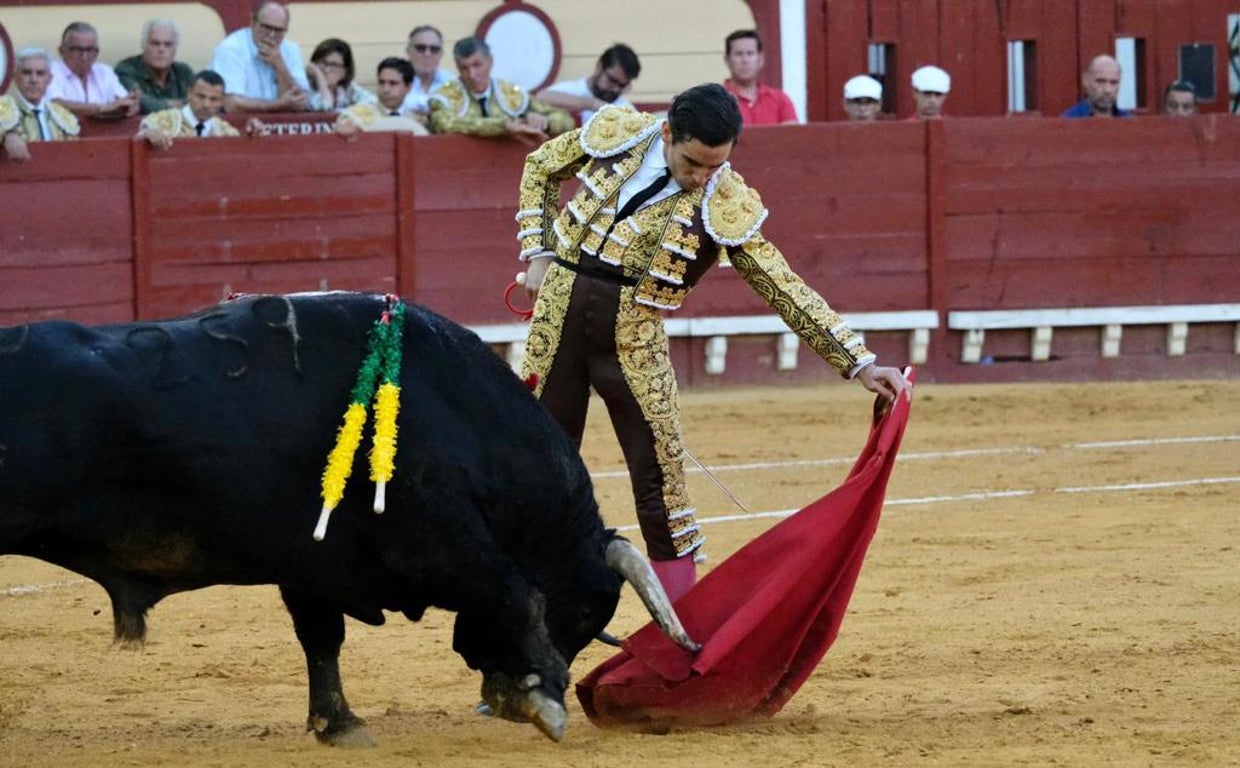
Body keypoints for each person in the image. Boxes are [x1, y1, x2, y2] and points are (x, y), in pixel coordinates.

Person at [513, 85, 909, 600]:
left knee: (662, 484)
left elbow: (781, 283)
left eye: (714, 166)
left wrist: (857, 361)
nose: (702, 177)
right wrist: (538, 250)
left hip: (632, 341)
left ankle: (679, 618)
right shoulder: (619, 134)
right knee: (536, 463)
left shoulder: (725, 201)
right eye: (694, 163)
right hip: (556, 314)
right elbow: (540, 167)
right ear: (668, 132)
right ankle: (524, 604)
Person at [428, 36, 573, 141]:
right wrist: (505, 126)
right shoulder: (444, 97)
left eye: (477, 65)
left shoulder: (509, 94)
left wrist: (544, 122)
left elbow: (566, 120)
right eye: (464, 68)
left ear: (490, 62)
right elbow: (445, 124)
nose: (472, 74)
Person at [209, 0, 311, 113]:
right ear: (252, 22)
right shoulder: (231, 48)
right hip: (238, 124)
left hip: (281, 125)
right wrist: (278, 104)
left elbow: (301, 103)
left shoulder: (291, 49)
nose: (272, 35)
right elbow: (231, 105)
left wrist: (280, 66)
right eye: (267, 27)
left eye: (278, 30)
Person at [137, 70, 266, 149]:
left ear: (222, 102)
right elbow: (141, 134)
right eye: (200, 96)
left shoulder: (226, 131)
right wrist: (148, 134)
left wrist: (254, 135)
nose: (206, 104)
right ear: (189, 94)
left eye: (213, 99)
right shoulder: (164, 120)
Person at [46, 21, 141, 120]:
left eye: (90, 50)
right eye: (77, 50)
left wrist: (131, 103)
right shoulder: (50, 71)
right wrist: (102, 108)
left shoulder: (104, 72)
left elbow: (121, 101)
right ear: (61, 51)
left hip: (104, 133)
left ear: (97, 52)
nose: (84, 57)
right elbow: (56, 104)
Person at [1, 47, 79, 162]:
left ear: (49, 79)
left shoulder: (61, 115)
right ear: (15, 77)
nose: (33, 79)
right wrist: (7, 136)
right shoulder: (2, 107)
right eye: (26, 73)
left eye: (40, 74)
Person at [538, 43, 640, 125]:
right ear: (599, 67)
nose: (615, 89)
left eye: (622, 86)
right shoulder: (574, 89)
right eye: (612, 81)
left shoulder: (624, 107)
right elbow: (542, 97)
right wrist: (593, 104)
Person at [115, 19, 196, 115]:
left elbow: (200, 101)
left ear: (175, 49)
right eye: (155, 43)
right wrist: (182, 104)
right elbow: (141, 103)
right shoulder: (126, 69)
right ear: (144, 45)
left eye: (168, 44)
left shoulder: (183, 71)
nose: (161, 50)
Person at [721, 29, 798, 126]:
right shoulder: (715, 102)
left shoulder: (781, 100)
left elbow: (792, 137)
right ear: (727, 60)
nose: (745, 60)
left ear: (760, 59)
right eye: (738, 54)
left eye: (750, 53)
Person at [334, 58, 428, 135]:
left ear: (408, 87)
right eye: (381, 82)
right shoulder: (356, 115)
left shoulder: (420, 119)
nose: (385, 89)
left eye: (393, 83)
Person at [306, 38, 376, 111]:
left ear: (345, 71)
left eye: (334, 65)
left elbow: (372, 103)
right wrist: (321, 82)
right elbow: (325, 108)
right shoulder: (304, 88)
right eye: (323, 62)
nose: (327, 69)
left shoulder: (348, 89)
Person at [401, 25, 454, 118]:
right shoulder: (396, 80)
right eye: (421, 48)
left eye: (434, 49)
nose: (427, 54)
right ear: (408, 52)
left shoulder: (452, 81)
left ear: (441, 54)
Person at [1062, 55, 1130, 118]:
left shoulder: (1128, 121)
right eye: (1100, 81)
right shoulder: (1069, 120)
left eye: (1114, 82)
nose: (1107, 90)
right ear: (1085, 81)